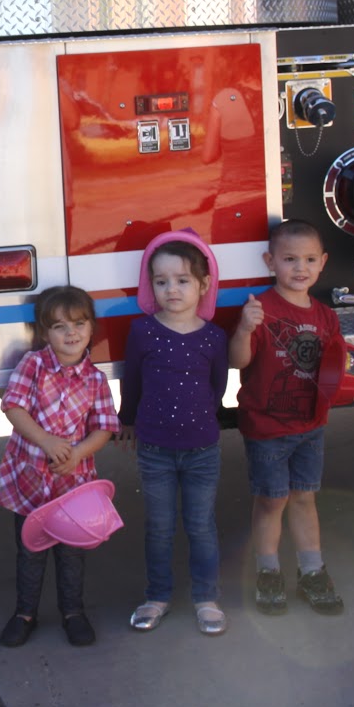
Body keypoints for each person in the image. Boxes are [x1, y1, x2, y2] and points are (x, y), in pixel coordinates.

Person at [230, 219, 354, 616]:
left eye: (310, 259)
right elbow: (238, 362)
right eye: (290, 259)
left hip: (311, 427)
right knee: (271, 501)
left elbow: (342, 368)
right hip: (267, 428)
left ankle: (312, 572)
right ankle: (268, 572)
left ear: (323, 263)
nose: (301, 268)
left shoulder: (326, 317)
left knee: (304, 498)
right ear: (270, 262)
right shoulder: (260, 310)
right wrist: (244, 330)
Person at [0, 284, 120, 649]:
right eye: (60, 326)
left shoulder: (95, 379)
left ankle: (73, 612)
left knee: (71, 551)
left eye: (79, 324)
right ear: (44, 333)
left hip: (72, 485)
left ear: (91, 328)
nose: (71, 333)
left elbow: (104, 428)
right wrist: (45, 440)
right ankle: (25, 613)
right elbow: (13, 406)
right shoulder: (32, 366)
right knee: (30, 550)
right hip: (31, 481)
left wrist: (78, 454)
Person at [118, 232, 230, 636]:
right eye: (161, 281)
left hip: (202, 450)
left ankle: (206, 599)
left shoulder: (214, 337)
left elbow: (217, 388)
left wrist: (198, 419)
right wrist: (127, 419)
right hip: (154, 450)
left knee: (200, 526)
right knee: (160, 528)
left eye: (183, 280)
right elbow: (131, 382)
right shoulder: (142, 332)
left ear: (203, 284)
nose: (172, 289)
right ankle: (157, 596)